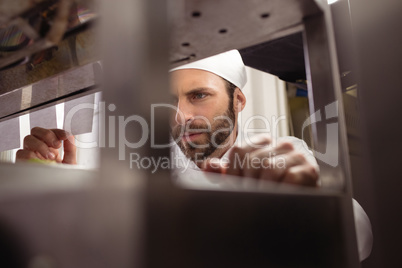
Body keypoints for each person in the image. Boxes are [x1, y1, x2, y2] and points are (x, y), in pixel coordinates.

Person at [16, 50, 372, 261]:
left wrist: (308, 201)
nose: (182, 115)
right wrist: (50, 182)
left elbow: (360, 238)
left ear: (239, 100)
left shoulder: (279, 155)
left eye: (199, 96)